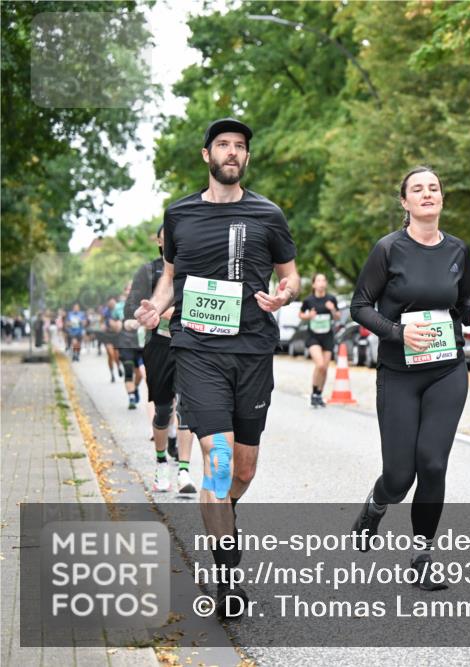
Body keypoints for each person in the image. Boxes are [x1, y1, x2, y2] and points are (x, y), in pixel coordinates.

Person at [134, 118, 299, 617]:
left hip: (252, 351)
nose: (232, 152)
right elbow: (169, 279)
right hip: (198, 350)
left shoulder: (269, 214)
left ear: (246, 158)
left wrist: (282, 296)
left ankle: (221, 513)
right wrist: (155, 307)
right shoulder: (180, 214)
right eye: (223, 145)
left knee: (242, 470)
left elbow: (290, 277)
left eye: (240, 147)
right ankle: (227, 576)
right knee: (220, 460)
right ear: (207, 155)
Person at [349, 166, 470, 590]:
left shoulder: (458, 251)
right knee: (398, 476)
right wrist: (397, 332)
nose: (427, 194)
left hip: (447, 368)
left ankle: (422, 553)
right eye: (417, 189)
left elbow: (462, 301)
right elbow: (360, 305)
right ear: (405, 203)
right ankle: (376, 505)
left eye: (434, 188)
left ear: (441, 200)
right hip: (399, 373)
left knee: (432, 463)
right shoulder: (388, 249)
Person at [124, 225, 197, 494]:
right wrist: (147, 316)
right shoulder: (149, 271)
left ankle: (185, 472)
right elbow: (130, 310)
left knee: (187, 408)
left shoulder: (195, 269)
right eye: (167, 240)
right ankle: (161, 465)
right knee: (164, 410)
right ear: (159, 242)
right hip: (159, 347)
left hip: (190, 347)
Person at [299, 273, 339, 407]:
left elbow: (338, 317)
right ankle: (314, 392)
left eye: (323, 280)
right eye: (318, 280)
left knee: (325, 368)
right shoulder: (309, 300)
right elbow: (300, 314)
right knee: (320, 364)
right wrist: (308, 316)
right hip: (313, 336)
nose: (321, 283)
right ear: (314, 284)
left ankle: (319, 394)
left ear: (326, 283)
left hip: (327, 336)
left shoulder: (331, 299)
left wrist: (332, 309)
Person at [113, 283, 144, 409]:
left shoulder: (143, 304)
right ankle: (131, 397)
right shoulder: (118, 307)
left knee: (141, 373)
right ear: (125, 292)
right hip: (125, 343)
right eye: (128, 289)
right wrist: (116, 325)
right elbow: (113, 322)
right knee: (128, 371)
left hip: (140, 344)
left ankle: (135, 388)